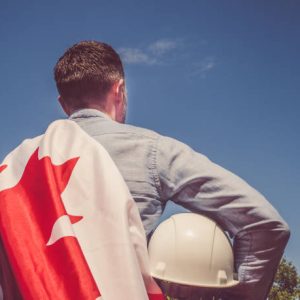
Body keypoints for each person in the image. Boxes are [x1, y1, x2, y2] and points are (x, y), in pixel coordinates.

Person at [54, 40, 290, 300]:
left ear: (64, 104)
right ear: (119, 90)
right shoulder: (151, 151)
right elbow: (264, 224)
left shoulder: (14, 167)